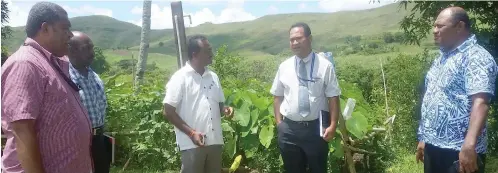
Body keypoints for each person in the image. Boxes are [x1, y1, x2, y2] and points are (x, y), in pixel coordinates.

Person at [1, 2, 93, 173]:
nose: (70, 35)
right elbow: (23, 132)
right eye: (65, 28)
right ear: (45, 29)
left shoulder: (53, 62)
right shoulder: (25, 64)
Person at [416, 6, 497, 173]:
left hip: (458, 151)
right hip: (435, 146)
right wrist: (425, 138)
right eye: (434, 26)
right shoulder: (442, 58)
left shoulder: (476, 58)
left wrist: (469, 145)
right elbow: (435, 96)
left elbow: (480, 103)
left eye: (440, 26)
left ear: (459, 27)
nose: (434, 30)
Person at [270, 22, 341, 173]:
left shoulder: (325, 66)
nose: (294, 43)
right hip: (289, 130)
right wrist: (279, 124)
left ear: (310, 39)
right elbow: (277, 96)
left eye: (299, 38)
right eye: (291, 40)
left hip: (315, 129)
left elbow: (333, 97)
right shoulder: (284, 67)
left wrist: (333, 125)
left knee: (318, 169)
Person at [162, 34, 235, 173]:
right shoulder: (180, 78)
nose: (211, 54)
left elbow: (219, 108)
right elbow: (168, 111)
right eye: (207, 50)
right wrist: (191, 133)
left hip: (215, 141)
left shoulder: (213, 77)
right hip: (192, 143)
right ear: (195, 54)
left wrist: (226, 110)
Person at [68, 31, 111, 173]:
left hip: (98, 140)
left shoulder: (94, 76)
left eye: (92, 47)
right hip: (76, 142)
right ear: (72, 51)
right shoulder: (65, 78)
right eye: (87, 48)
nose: (92, 53)